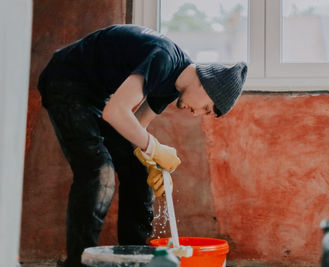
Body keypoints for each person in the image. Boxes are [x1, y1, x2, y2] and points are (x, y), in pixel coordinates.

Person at [38, 24, 247, 267]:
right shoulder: (164, 58)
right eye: (206, 108)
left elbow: (134, 128)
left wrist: (153, 163)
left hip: (94, 98)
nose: (198, 113)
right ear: (206, 84)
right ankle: (78, 263)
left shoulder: (174, 83)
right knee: (98, 170)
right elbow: (115, 112)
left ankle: (136, 258)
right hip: (65, 82)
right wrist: (154, 148)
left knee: (137, 169)